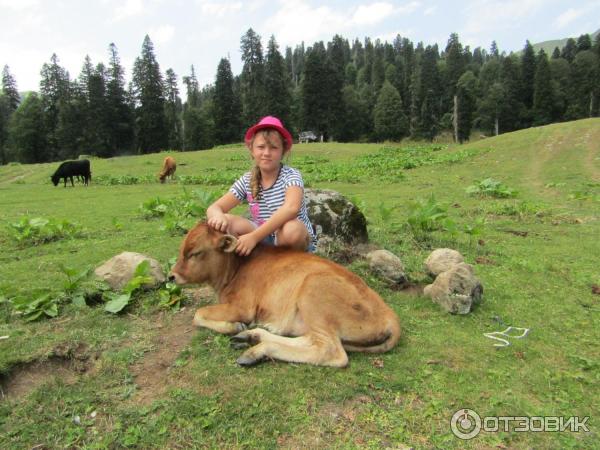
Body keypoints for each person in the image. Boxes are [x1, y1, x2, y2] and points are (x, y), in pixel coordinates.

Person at [206, 116, 317, 256]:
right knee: (226, 222)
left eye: (274, 148)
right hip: (263, 237)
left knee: (292, 230)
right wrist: (218, 216)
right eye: (261, 147)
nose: (266, 153)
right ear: (252, 150)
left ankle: (287, 266)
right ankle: (242, 266)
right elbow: (214, 207)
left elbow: (291, 208)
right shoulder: (247, 179)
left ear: (283, 152)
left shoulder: (291, 176)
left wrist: (254, 237)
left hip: (287, 239)